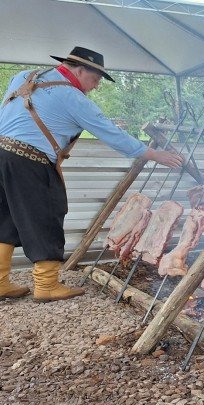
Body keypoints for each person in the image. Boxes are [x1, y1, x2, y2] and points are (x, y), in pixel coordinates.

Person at [0, 47, 183, 302]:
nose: (96, 86)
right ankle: (46, 285)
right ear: (79, 69)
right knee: (46, 215)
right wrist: (154, 155)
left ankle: (0, 283)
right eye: (95, 79)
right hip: (29, 160)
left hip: (2, 153)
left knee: (5, 216)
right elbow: (112, 133)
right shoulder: (73, 98)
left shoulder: (24, 76)